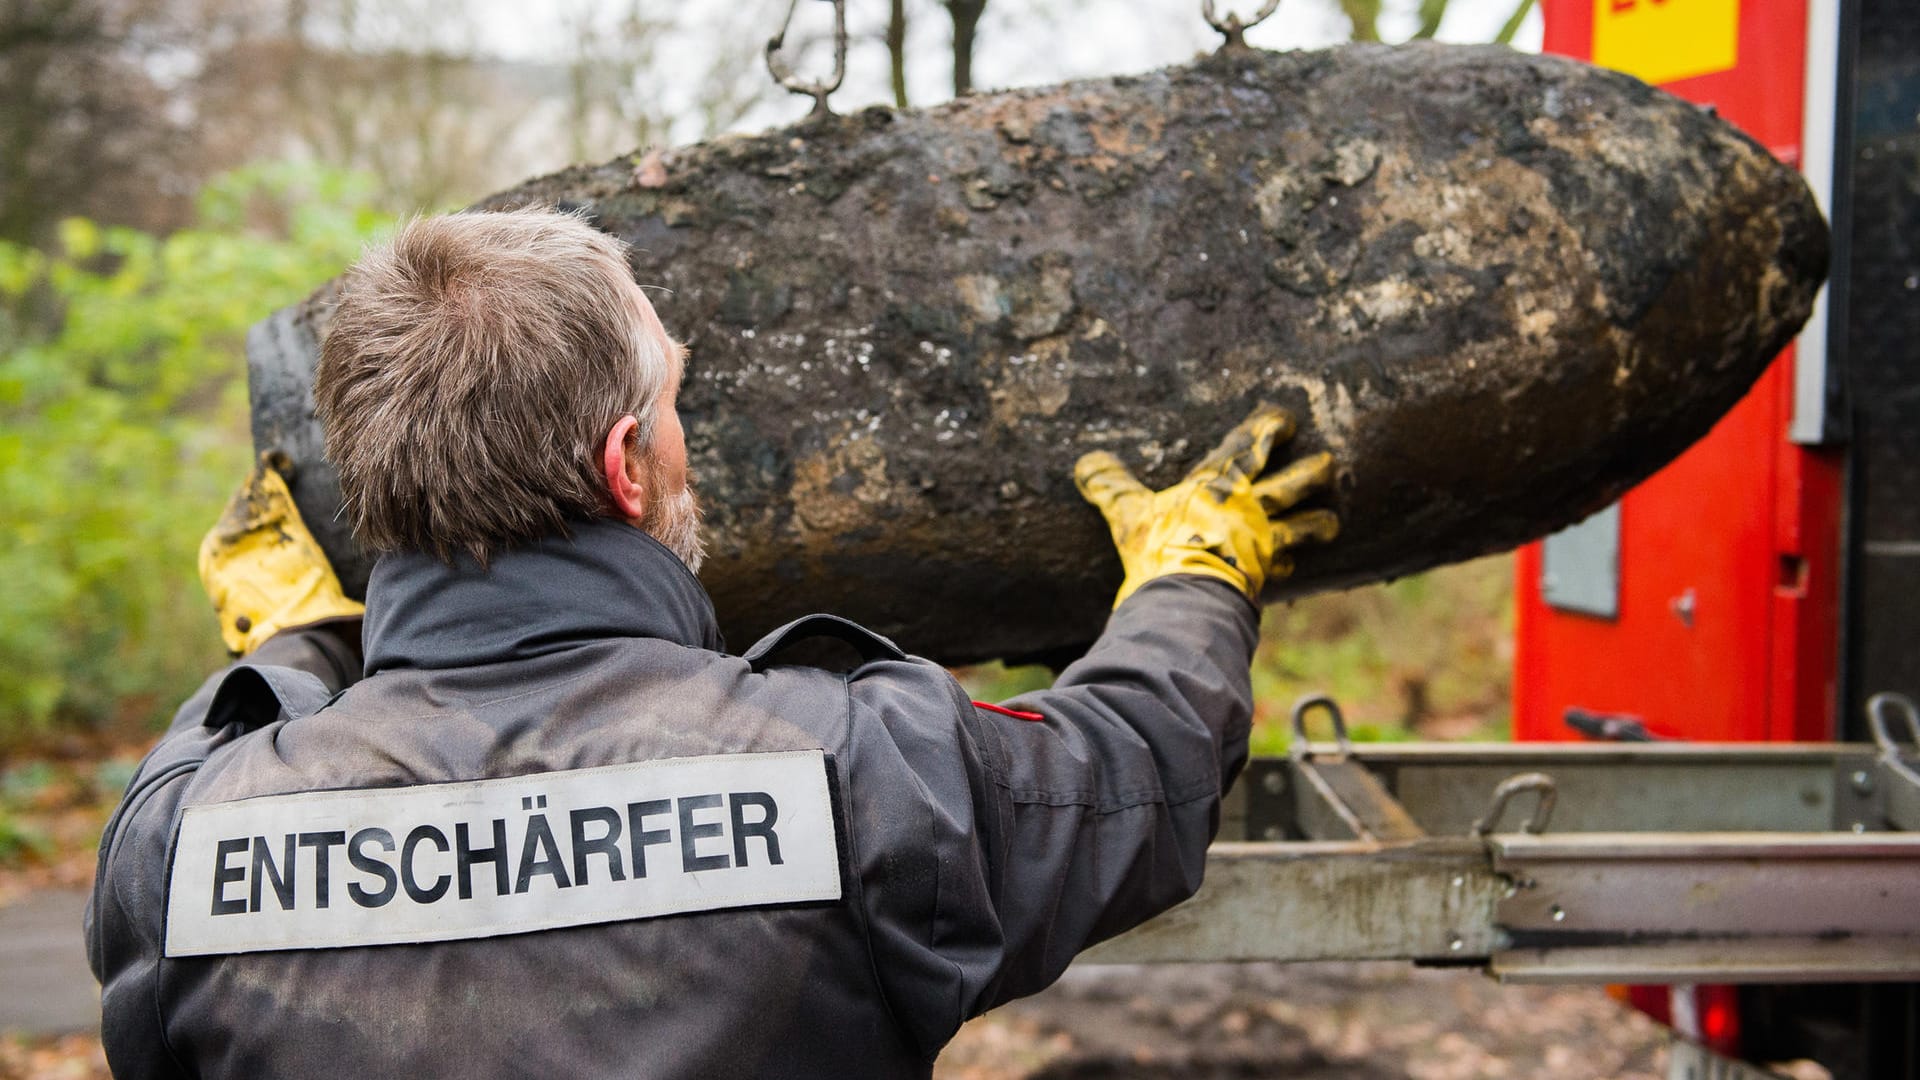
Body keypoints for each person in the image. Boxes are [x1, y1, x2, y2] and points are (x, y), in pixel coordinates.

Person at [86, 208, 1338, 1079]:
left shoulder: (183, 844)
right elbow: (1137, 763)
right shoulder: (859, 772)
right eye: (671, 403)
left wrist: (298, 647)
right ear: (627, 467)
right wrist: (1194, 573)